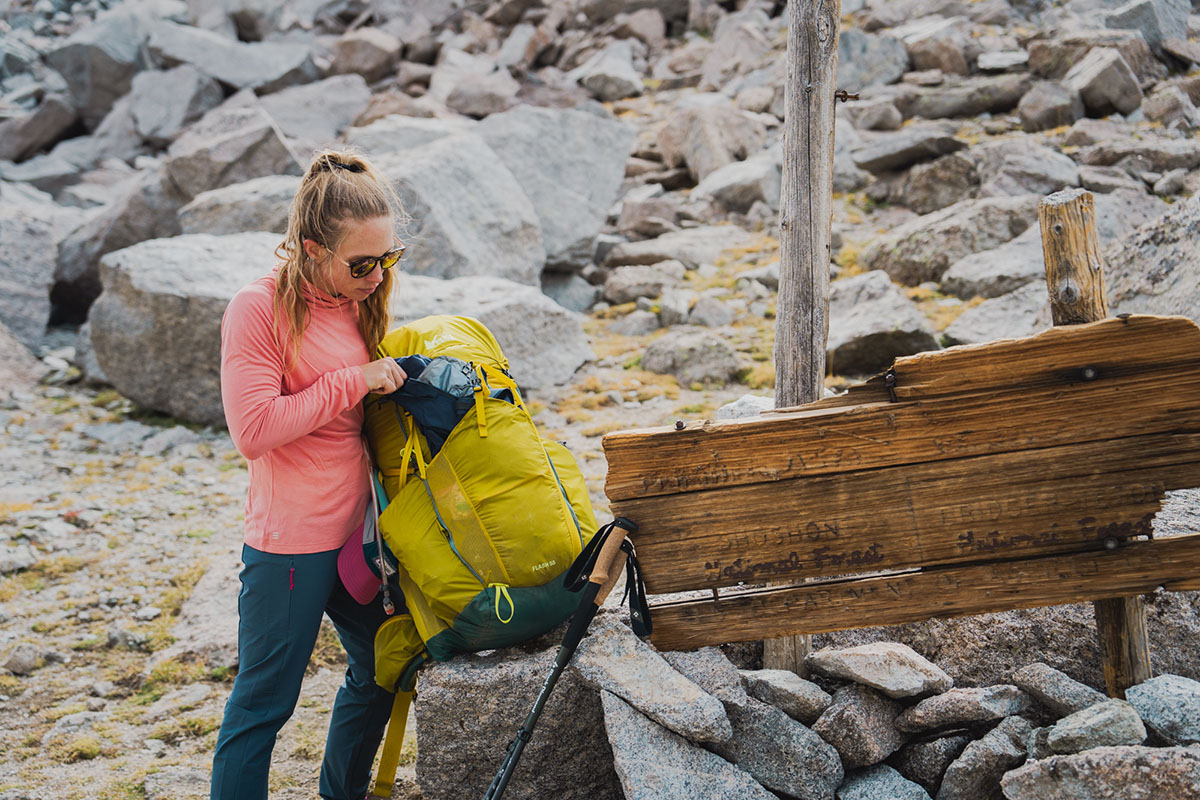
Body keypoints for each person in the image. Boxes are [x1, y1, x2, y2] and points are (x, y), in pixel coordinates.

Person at [211, 148, 410, 800]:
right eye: (361, 262)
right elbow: (254, 431)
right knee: (263, 707)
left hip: (358, 540)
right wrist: (354, 382)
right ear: (310, 247)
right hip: (290, 548)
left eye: (388, 258)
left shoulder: (357, 300)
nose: (377, 275)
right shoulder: (257, 308)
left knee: (384, 666)